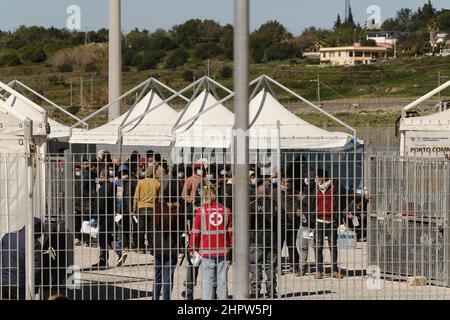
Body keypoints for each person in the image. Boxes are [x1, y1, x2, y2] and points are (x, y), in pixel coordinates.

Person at [190, 186, 232, 300]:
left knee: (208, 282)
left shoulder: (201, 211)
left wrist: (192, 248)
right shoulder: (226, 210)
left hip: (207, 250)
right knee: (222, 281)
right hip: (223, 250)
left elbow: (196, 232)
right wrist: (232, 248)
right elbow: (231, 233)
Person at [181, 160, 209, 300]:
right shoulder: (191, 180)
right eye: (198, 168)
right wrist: (192, 201)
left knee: (194, 260)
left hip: (203, 218)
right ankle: (192, 288)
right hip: (196, 215)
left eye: (201, 169)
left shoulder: (206, 181)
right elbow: (183, 194)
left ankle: (191, 289)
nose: (200, 171)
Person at [148, 199, 185, 300]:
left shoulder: (158, 209)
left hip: (158, 246)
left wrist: (152, 246)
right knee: (168, 278)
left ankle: (154, 298)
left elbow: (151, 229)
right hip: (171, 247)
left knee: (157, 275)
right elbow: (181, 230)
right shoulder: (178, 211)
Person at [249, 180, 279, 299]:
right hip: (271, 238)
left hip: (256, 239)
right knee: (270, 266)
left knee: (255, 265)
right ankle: (271, 291)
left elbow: (248, 224)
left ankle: (255, 291)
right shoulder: (274, 205)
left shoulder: (251, 205)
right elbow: (279, 222)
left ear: (257, 192)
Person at [92, 169, 127, 268]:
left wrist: (94, 216)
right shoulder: (114, 186)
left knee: (103, 238)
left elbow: (100, 203)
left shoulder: (103, 188)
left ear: (102, 177)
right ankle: (116, 254)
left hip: (103, 216)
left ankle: (105, 260)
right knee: (108, 237)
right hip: (111, 215)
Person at [1, 218, 43, 300]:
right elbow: (36, 270)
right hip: (20, 286)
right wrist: (34, 288)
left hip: (3, 283)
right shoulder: (34, 244)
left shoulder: (7, 237)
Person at [314, 169, 342, 279]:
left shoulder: (334, 187)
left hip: (331, 221)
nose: (316, 179)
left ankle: (334, 270)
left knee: (333, 246)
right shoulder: (315, 188)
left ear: (321, 177)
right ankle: (318, 271)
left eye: (317, 177)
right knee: (318, 247)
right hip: (319, 221)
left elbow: (345, 195)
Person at [133, 164, 161, 252]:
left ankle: (140, 248)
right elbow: (160, 198)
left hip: (141, 208)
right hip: (152, 208)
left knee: (141, 229)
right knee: (151, 229)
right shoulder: (157, 183)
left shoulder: (140, 182)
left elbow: (136, 197)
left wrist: (134, 208)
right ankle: (151, 247)